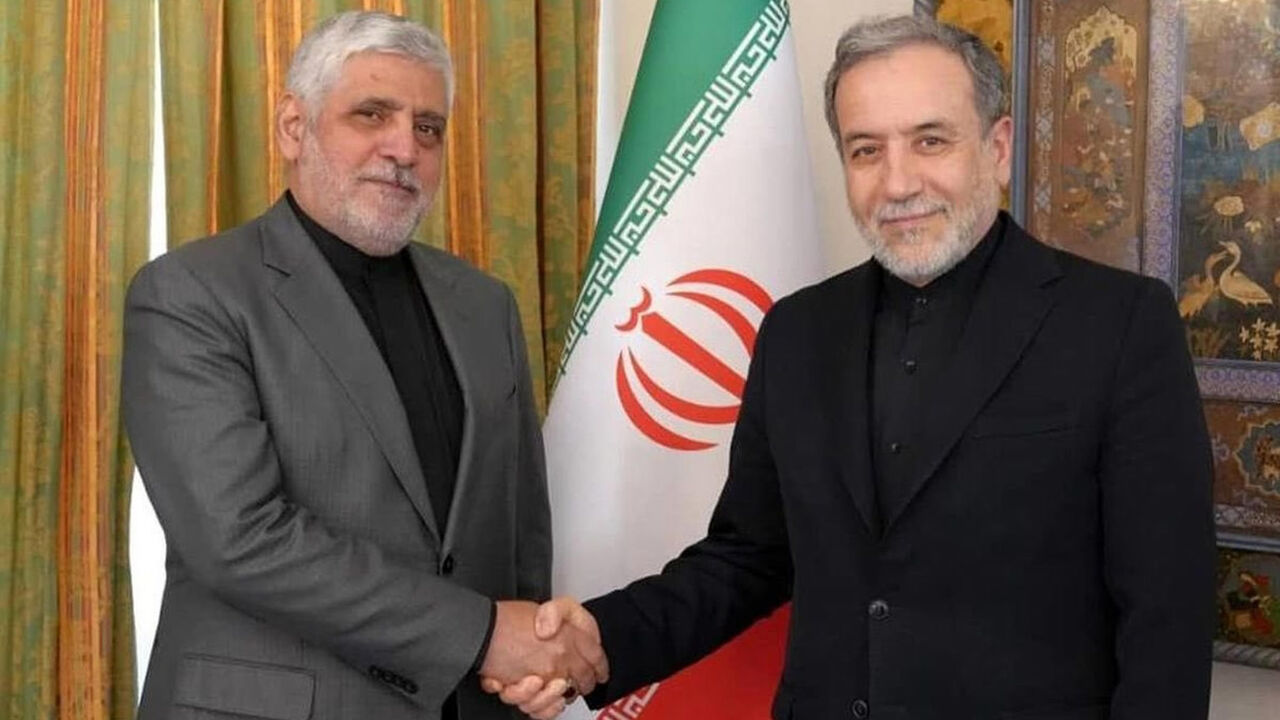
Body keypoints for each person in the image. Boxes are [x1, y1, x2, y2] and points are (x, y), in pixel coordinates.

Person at [488, 14, 1216, 720]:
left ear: (997, 148)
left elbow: (1167, 613)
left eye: (929, 140)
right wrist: (595, 642)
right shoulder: (798, 331)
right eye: (866, 150)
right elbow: (748, 557)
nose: (898, 184)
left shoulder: (1119, 324)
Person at [123, 11, 603, 720]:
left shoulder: (484, 305)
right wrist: (481, 637)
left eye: (428, 128)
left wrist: (531, 655)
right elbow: (240, 539)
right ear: (294, 127)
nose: (403, 147)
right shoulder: (190, 293)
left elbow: (519, 530)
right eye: (371, 114)